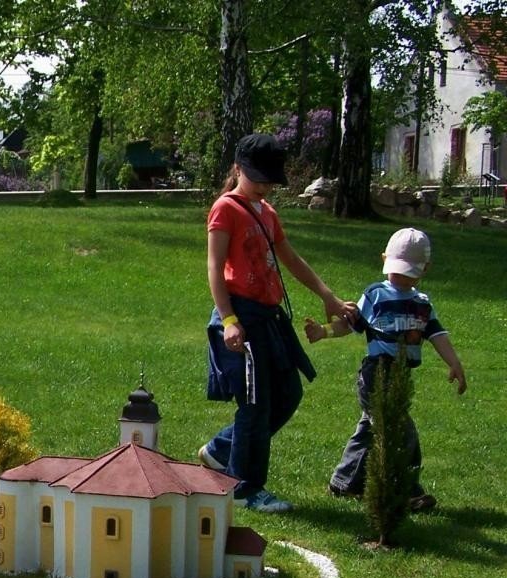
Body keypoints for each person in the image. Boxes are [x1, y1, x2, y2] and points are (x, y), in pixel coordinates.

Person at [199, 133, 354, 513]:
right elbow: (215, 268)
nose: (265, 185)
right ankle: (244, 488)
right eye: (259, 177)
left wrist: (327, 295)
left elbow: (290, 258)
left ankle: (220, 450)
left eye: (269, 179)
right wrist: (229, 320)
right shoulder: (225, 209)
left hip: (269, 317)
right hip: (241, 315)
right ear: (238, 169)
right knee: (255, 404)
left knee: (287, 395)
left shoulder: (267, 213)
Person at [304, 227, 466, 512]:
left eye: (408, 272)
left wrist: (454, 362)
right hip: (376, 374)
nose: (399, 277)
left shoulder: (422, 304)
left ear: (425, 269)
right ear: (384, 261)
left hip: (401, 375)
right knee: (401, 430)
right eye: (396, 270)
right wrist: (323, 331)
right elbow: (351, 324)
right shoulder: (376, 295)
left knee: (370, 428)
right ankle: (407, 490)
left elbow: (437, 334)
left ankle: (343, 483)